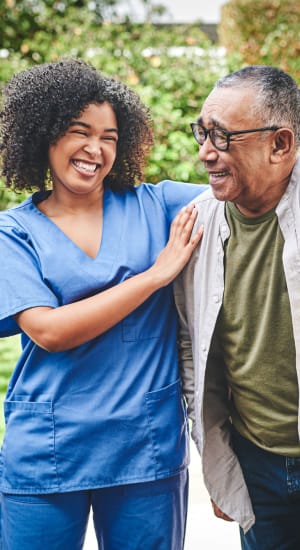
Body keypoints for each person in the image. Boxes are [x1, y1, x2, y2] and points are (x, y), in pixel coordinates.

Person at [0, 58, 205, 550]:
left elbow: (246, 190)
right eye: (79, 131)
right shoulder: (14, 232)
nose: (95, 149)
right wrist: (155, 276)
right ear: (44, 136)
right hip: (49, 454)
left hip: (144, 450)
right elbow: (48, 331)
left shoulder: (160, 206)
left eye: (109, 137)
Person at [175, 65, 300, 549]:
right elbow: (194, 347)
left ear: (280, 145)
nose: (206, 153)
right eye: (203, 132)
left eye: (223, 137)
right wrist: (222, 464)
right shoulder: (197, 228)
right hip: (257, 465)